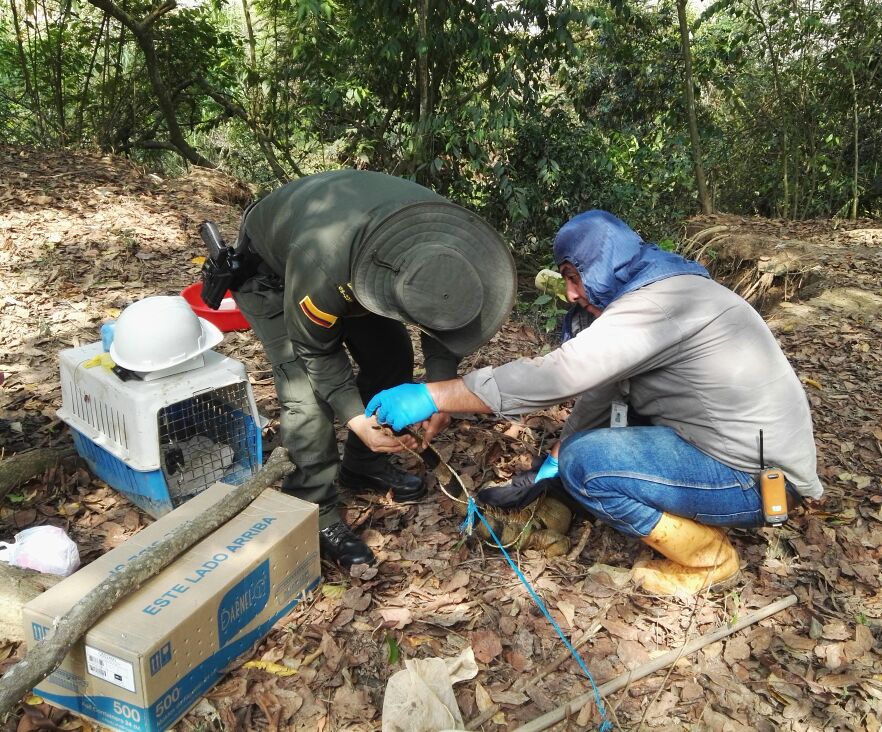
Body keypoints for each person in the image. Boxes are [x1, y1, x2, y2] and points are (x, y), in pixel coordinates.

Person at [365, 210, 822, 595]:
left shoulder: (656, 306)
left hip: (758, 482)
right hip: (748, 461)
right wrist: (548, 467)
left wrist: (433, 393)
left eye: (574, 277)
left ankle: (709, 559)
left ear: (606, 266)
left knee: (588, 464)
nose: (571, 293)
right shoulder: (664, 287)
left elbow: (559, 374)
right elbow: (600, 393)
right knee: (580, 454)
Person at [230, 170, 516, 568]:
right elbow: (315, 352)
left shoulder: (450, 246)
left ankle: (362, 466)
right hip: (273, 274)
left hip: (368, 260)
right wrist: (355, 417)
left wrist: (439, 391)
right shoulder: (323, 266)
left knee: (391, 358)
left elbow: (445, 319)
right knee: (308, 396)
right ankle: (314, 511)